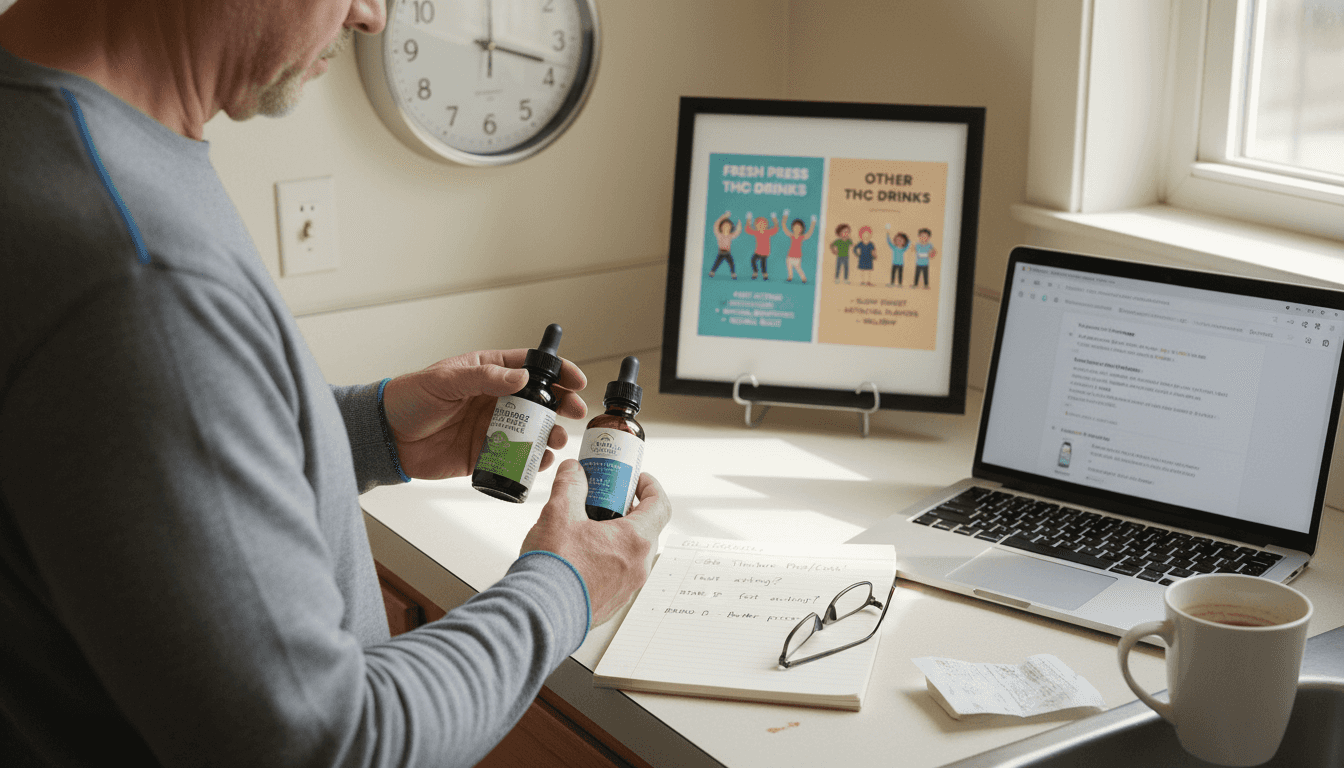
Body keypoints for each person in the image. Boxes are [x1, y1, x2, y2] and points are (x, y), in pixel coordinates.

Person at [0, 2, 672, 767]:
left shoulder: (58, 123)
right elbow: (326, 743)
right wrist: (569, 587)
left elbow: (108, 474)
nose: (370, 16)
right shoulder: (134, 268)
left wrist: (367, 431)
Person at [779, 209, 816, 283]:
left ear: (802, 229)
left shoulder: (802, 237)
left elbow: (809, 233)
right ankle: (790, 277)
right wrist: (785, 216)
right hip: (789, 255)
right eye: (795, 227)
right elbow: (784, 227)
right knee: (789, 267)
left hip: (797, 256)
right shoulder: (791, 235)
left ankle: (803, 278)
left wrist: (813, 222)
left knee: (797, 267)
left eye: (799, 228)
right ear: (792, 228)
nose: (797, 229)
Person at [742, 211, 779, 280]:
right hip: (758, 251)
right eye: (759, 224)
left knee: (763, 263)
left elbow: (776, 229)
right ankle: (755, 272)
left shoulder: (768, 232)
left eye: (763, 224)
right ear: (756, 226)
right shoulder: (756, 232)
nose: (761, 226)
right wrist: (748, 219)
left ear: (766, 225)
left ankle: (764, 274)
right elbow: (747, 230)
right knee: (753, 260)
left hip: (765, 252)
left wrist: (774, 219)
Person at [708, 209, 741, 279]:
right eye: (724, 226)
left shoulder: (730, 235)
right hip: (721, 252)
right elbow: (716, 225)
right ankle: (712, 272)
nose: (726, 228)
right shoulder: (719, 235)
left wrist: (739, 226)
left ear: (731, 228)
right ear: (721, 227)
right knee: (717, 263)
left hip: (728, 253)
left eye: (728, 227)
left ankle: (733, 273)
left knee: (731, 263)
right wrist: (724, 216)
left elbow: (736, 233)